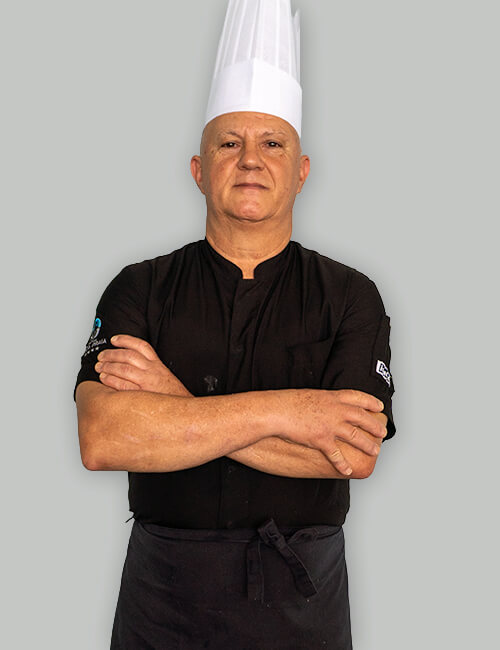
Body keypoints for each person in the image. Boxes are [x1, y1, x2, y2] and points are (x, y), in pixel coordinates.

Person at [74, 1, 395, 648]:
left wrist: (171, 401)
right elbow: (102, 438)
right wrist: (292, 412)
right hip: (163, 598)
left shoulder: (351, 296)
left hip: (301, 602)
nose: (251, 159)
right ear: (199, 170)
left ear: (301, 171)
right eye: (229, 143)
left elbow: (353, 453)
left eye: (272, 143)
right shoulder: (139, 287)